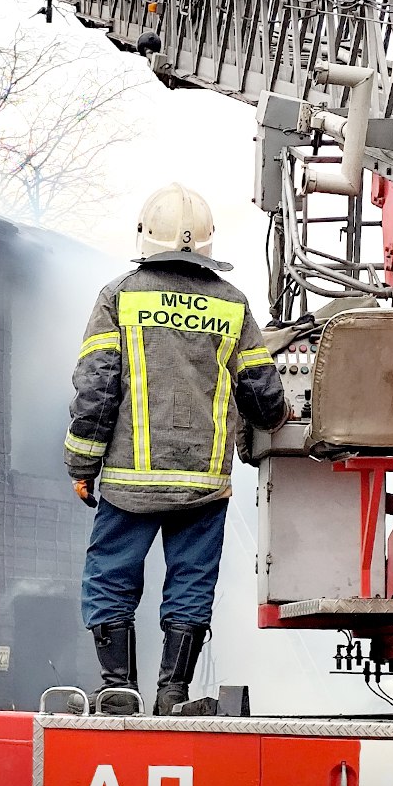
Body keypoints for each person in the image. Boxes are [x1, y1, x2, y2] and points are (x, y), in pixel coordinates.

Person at [65, 185, 287, 715]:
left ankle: (118, 694)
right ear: (206, 242)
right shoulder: (232, 304)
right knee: (191, 583)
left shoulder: (119, 296)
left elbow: (97, 388)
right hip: (203, 485)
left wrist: (82, 464)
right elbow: (263, 396)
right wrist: (277, 418)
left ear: (146, 236)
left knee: (111, 579)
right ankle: (173, 696)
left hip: (129, 482)